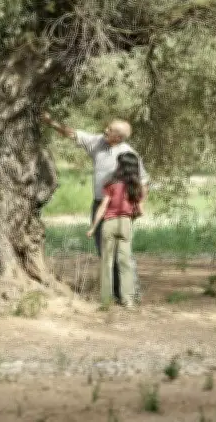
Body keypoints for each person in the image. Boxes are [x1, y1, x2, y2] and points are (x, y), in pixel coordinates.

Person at [40, 112, 149, 303]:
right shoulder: (98, 142)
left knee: (123, 253)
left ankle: (131, 293)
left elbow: (143, 182)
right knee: (103, 249)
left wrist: (139, 206)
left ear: (119, 137)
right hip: (100, 203)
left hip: (121, 209)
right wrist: (50, 122)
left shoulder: (128, 153)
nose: (105, 130)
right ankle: (113, 293)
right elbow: (72, 134)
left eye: (110, 130)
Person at [87, 152, 144, 308]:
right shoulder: (136, 187)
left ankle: (106, 299)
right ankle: (128, 299)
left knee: (107, 262)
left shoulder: (111, 184)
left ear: (120, 166)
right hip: (125, 224)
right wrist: (131, 217)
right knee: (125, 262)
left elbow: (103, 207)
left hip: (109, 223)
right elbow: (140, 211)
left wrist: (93, 227)